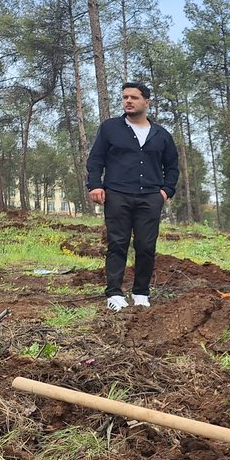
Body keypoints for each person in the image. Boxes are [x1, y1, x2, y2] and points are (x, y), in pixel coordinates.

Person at [86, 82, 180, 311]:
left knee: (146, 246)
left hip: (150, 197)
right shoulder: (110, 128)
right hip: (117, 194)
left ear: (146, 102)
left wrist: (166, 191)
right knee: (117, 243)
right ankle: (115, 293)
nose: (128, 101)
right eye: (125, 97)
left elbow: (173, 167)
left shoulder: (161, 135)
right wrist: (95, 185)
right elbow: (96, 159)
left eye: (134, 97)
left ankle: (140, 292)